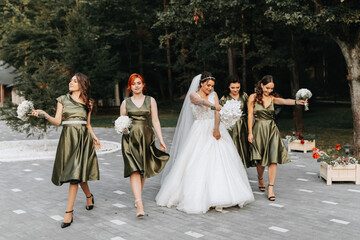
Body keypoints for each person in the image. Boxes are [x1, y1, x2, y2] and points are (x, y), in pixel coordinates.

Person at [156, 72, 254, 214]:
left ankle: (222, 194)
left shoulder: (214, 95)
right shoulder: (193, 95)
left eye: (212, 86)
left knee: (221, 159)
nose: (210, 88)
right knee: (197, 160)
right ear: (201, 83)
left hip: (214, 127)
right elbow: (202, 102)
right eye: (208, 85)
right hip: (199, 129)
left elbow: (216, 113)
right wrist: (216, 106)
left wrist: (216, 128)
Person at [31, 73, 100, 228]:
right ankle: (89, 196)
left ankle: (69, 212)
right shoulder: (63, 99)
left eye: (74, 81)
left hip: (82, 140)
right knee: (76, 173)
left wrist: (94, 137)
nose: (71, 82)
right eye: (70, 80)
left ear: (82, 85)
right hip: (68, 140)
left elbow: (87, 124)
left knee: (75, 174)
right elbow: (57, 121)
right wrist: (45, 115)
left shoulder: (88, 102)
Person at [247, 75, 307, 201]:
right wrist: (250, 133)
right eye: (267, 88)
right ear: (262, 85)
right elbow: (250, 115)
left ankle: (271, 188)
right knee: (260, 160)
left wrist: (297, 102)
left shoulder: (273, 98)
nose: (269, 90)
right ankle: (260, 179)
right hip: (258, 130)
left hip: (271, 130)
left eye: (271, 88)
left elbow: (285, 101)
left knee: (273, 159)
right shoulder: (252, 97)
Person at [120, 73, 169, 219]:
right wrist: (124, 129)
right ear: (130, 86)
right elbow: (122, 122)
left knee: (143, 170)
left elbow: (155, 121)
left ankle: (138, 196)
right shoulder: (125, 103)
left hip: (146, 137)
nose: (136, 86)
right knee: (134, 170)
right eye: (133, 84)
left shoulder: (151, 101)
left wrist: (161, 139)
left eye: (139, 83)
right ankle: (139, 203)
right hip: (130, 140)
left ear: (143, 85)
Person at [219, 75, 251, 168]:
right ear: (228, 86)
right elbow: (219, 112)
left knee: (243, 147)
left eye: (237, 87)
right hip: (230, 127)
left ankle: (241, 169)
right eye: (233, 88)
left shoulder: (244, 96)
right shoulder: (224, 98)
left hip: (243, 126)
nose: (235, 90)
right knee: (232, 147)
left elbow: (249, 112)